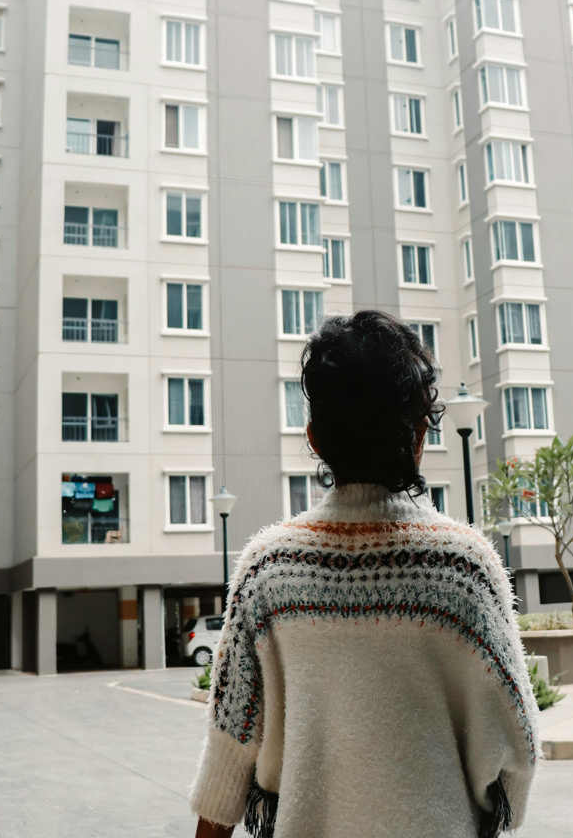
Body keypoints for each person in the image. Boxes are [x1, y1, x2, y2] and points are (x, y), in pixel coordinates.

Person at [190, 309, 538, 838]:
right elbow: (518, 744)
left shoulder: (268, 569)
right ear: (420, 435)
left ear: (314, 438)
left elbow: (228, 754)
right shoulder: (466, 568)